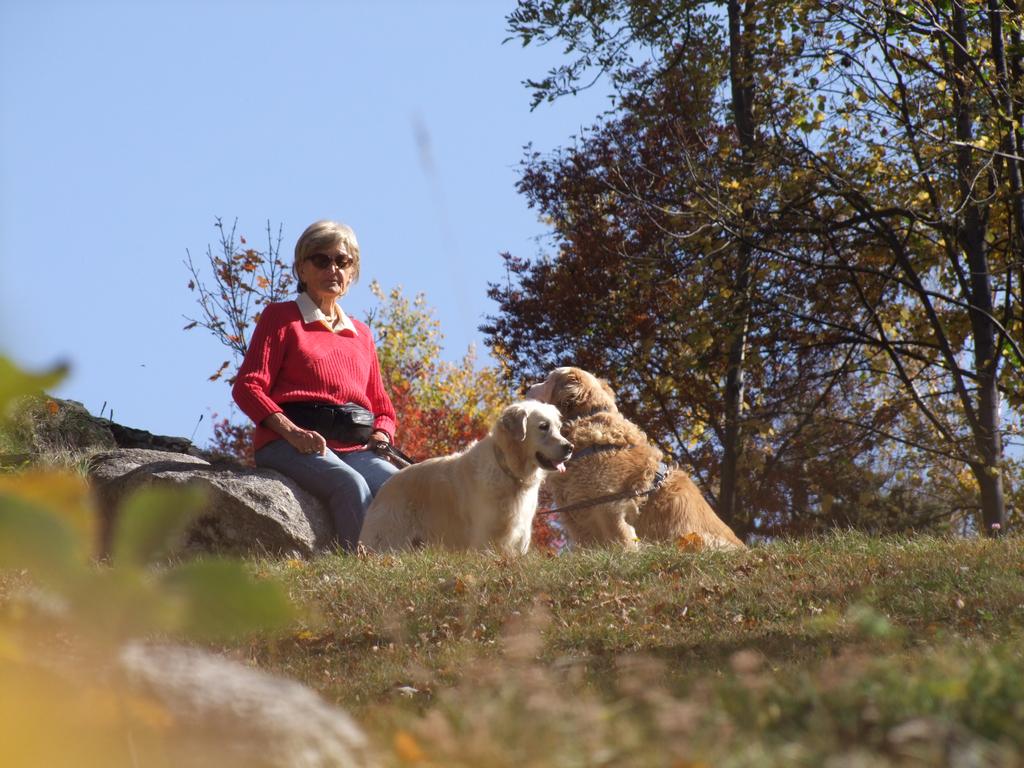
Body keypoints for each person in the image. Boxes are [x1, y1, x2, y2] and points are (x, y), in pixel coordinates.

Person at [232, 219, 399, 550]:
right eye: (321, 260)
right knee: (349, 484)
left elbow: (382, 410)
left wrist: (381, 436)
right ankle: (361, 573)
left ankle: (406, 573)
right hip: (288, 443)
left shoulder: (361, 334)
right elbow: (248, 387)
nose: (332, 269)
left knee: (400, 487)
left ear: (353, 272)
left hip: (354, 447)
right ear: (301, 269)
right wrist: (292, 432)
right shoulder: (281, 318)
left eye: (342, 261)